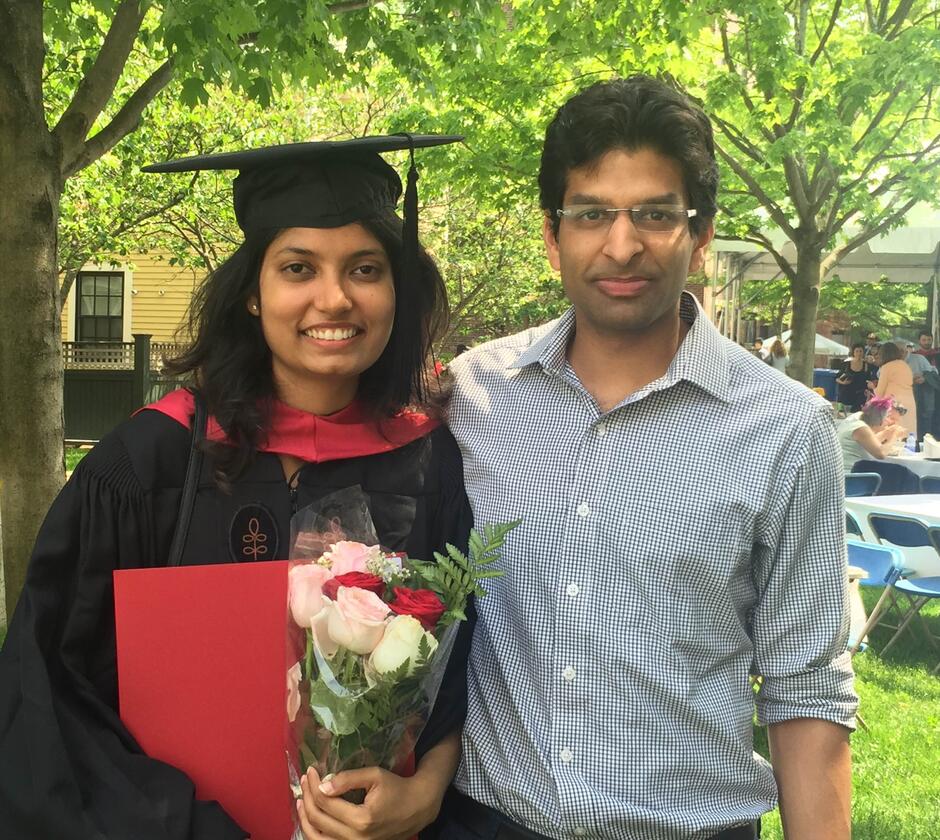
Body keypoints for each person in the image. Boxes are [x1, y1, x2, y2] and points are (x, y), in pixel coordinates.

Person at [0, 136, 473, 840]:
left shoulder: (428, 460)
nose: (335, 297)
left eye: (366, 268)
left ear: (397, 290)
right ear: (253, 294)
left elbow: (460, 677)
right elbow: (49, 695)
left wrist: (427, 789)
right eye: (298, 268)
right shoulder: (151, 458)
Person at [444, 76, 855, 840]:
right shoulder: (474, 396)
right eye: (592, 213)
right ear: (551, 232)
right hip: (485, 821)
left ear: (700, 236)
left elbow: (808, 688)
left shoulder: (787, 429)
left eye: (656, 215)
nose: (622, 244)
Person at [836, 395, 908, 471]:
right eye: (889, 417)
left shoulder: (858, 419)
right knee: (903, 472)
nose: (889, 422)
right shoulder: (860, 427)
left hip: (855, 469)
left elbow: (868, 442)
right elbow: (881, 454)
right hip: (851, 474)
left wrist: (886, 433)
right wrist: (895, 436)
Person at [873, 340, 916, 438]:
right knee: (908, 433)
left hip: (894, 403)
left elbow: (879, 393)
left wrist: (873, 387)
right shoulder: (905, 365)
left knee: (894, 434)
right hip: (909, 402)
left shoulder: (886, 367)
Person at [906, 341, 938, 440]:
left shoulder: (919, 358)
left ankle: (923, 441)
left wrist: (924, 378)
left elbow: (933, 372)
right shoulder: (893, 361)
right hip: (904, 396)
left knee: (924, 419)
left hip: (923, 396)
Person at [836, 343, 873, 412]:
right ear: (853, 352)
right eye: (857, 351)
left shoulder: (866, 365)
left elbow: (869, 380)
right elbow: (837, 378)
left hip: (860, 396)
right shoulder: (846, 364)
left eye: (861, 351)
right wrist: (843, 382)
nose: (859, 353)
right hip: (846, 395)